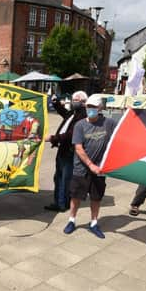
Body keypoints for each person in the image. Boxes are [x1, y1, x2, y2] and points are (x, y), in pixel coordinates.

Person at [63, 95, 117, 239]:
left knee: (96, 197)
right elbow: (79, 148)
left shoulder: (109, 123)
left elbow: (121, 134)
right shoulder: (80, 125)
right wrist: (90, 165)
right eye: (88, 107)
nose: (90, 110)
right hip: (81, 169)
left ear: (100, 108)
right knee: (76, 196)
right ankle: (71, 220)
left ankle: (94, 223)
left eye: (93, 107)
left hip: (100, 169)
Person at [44, 90, 88, 212]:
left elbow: (70, 135)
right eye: (73, 99)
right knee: (59, 177)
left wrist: (53, 138)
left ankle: (62, 204)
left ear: (84, 102)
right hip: (63, 149)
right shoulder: (74, 112)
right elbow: (65, 113)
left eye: (76, 100)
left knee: (64, 178)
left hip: (69, 151)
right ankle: (60, 201)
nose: (74, 101)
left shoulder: (83, 115)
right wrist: (56, 103)